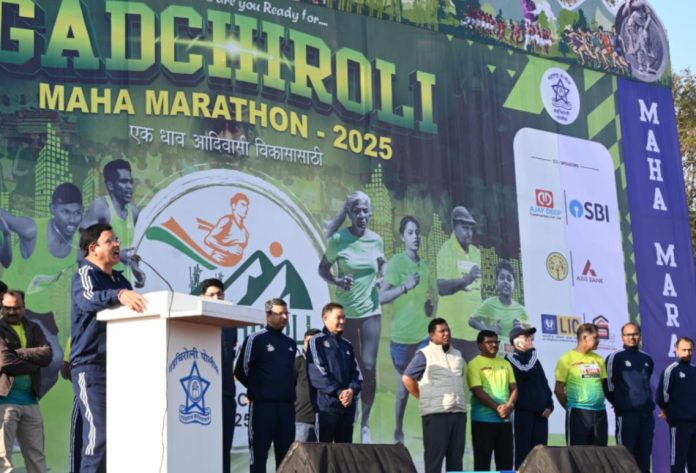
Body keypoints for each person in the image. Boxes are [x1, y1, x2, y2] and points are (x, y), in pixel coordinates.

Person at [70, 223, 147, 473]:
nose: (117, 244)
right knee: (98, 437)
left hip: (121, 368)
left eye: (117, 240)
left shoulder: (120, 279)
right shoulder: (85, 274)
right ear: (93, 248)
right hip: (91, 367)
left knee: (122, 438)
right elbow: (88, 299)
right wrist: (119, 294)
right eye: (110, 240)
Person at [318, 191, 384, 443]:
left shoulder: (376, 240)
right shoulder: (339, 240)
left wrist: (382, 277)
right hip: (346, 315)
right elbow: (323, 269)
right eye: (357, 211)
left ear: (371, 213)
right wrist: (337, 280)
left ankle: (365, 424)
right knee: (348, 368)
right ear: (350, 214)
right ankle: (350, 413)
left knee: (368, 366)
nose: (362, 215)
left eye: (365, 210)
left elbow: (382, 265)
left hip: (371, 312)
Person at [380, 216, 432, 443]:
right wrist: (405, 286)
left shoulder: (426, 267)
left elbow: (424, 302)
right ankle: (398, 430)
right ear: (402, 237)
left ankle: (432, 431)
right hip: (401, 339)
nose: (415, 237)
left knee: (428, 384)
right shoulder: (396, 263)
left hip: (423, 337)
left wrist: (428, 307)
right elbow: (381, 297)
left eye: (417, 232)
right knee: (403, 391)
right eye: (410, 233)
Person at [234, 298, 296, 473]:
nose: (285, 317)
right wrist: (258, 389)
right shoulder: (256, 339)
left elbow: (291, 375)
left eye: (286, 313)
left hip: (286, 408)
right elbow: (241, 370)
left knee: (286, 457)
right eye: (280, 314)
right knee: (259, 456)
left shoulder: (290, 343)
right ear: (268, 315)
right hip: (263, 407)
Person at [402, 318, 467, 473]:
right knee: (434, 461)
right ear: (432, 335)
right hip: (436, 415)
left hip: (458, 414)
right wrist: (422, 397)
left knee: (456, 462)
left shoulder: (457, 354)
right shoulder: (424, 354)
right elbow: (407, 378)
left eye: (448, 330)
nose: (447, 333)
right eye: (442, 331)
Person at [0, 290, 52, 472]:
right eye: (7, 308)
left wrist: (19, 353)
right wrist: (34, 363)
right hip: (4, 402)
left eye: (16, 308)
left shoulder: (34, 327)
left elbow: (47, 355)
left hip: (31, 401)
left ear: (24, 307)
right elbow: (6, 363)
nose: (11, 312)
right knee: (3, 459)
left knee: (37, 456)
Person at [82, 159, 144, 287]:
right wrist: (117, 255)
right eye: (124, 181)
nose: (129, 186)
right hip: (101, 283)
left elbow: (130, 252)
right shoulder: (100, 207)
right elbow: (83, 250)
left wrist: (135, 269)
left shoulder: (133, 211)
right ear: (110, 186)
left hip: (123, 284)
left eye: (131, 182)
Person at [307, 302, 362, 443]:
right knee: (323, 451)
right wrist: (339, 392)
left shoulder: (347, 344)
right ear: (325, 318)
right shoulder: (316, 341)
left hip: (347, 408)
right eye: (338, 317)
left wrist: (351, 390)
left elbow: (357, 374)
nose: (342, 321)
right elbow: (317, 373)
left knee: (344, 451)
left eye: (344, 317)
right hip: (326, 408)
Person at [604, 322, 654, 473]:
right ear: (622, 337)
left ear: (640, 335)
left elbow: (645, 384)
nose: (632, 337)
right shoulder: (615, 357)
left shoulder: (647, 359)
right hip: (626, 416)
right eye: (628, 334)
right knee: (625, 456)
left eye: (635, 334)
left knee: (644, 457)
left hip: (646, 416)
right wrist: (621, 403)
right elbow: (608, 386)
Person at [200, 278, 237, 473]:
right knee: (204, 448)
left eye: (219, 294)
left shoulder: (230, 325)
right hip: (202, 397)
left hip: (226, 394)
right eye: (211, 295)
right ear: (203, 297)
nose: (216, 298)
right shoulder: (195, 321)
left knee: (224, 449)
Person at [466, 330, 517, 471]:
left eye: (496, 342)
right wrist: (499, 408)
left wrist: (509, 406)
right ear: (480, 345)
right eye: (489, 342)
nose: (494, 345)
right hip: (483, 421)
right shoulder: (474, 364)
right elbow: (477, 391)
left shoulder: (505, 363)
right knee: (482, 464)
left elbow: (514, 388)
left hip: (505, 421)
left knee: (506, 464)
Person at [436, 206, 481, 362]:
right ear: (454, 227)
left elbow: (477, 290)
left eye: (471, 228)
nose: (469, 232)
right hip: (451, 333)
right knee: (452, 375)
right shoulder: (446, 251)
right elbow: (442, 287)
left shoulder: (476, 253)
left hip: (473, 333)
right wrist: (466, 280)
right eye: (465, 228)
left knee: (477, 375)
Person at [505, 326, 553, 468]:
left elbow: (544, 383)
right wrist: (532, 352)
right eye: (525, 337)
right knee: (522, 454)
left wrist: (550, 405)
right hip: (522, 413)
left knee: (540, 454)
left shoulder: (534, 360)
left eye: (530, 337)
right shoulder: (510, 358)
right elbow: (524, 369)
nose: (530, 339)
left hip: (541, 415)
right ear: (516, 342)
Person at [554, 323, 608, 446]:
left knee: (600, 453)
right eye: (595, 338)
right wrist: (570, 408)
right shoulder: (566, 359)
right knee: (577, 453)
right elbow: (558, 389)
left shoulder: (599, 359)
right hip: (578, 412)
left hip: (599, 412)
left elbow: (601, 384)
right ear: (584, 338)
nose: (598, 341)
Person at [470, 260, 529, 353]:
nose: (505, 281)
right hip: (493, 356)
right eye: (502, 278)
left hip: (514, 357)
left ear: (515, 285)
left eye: (509, 279)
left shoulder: (521, 310)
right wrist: (488, 330)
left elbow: (532, 336)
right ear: (496, 282)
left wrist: (522, 330)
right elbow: (472, 321)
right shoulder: (489, 303)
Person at [656, 337, 696, 473]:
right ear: (676, 351)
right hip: (679, 425)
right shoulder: (671, 370)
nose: (687, 353)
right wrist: (667, 411)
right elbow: (662, 396)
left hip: (695, 424)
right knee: (678, 462)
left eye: (690, 350)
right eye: (684, 350)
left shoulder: (694, 370)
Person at [202, 193, 250, 267]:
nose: (246, 209)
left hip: (232, 269)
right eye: (243, 205)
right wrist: (228, 249)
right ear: (234, 206)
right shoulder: (227, 220)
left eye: (247, 206)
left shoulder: (245, 233)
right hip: (216, 263)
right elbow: (208, 239)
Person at [294, 328, 321, 442]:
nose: (310, 345)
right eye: (308, 341)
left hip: (323, 419)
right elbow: (286, 386)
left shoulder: (328, 363)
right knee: (300, 452)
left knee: (322, 452)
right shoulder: (298, 362)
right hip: (302, 419)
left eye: (314, 342)